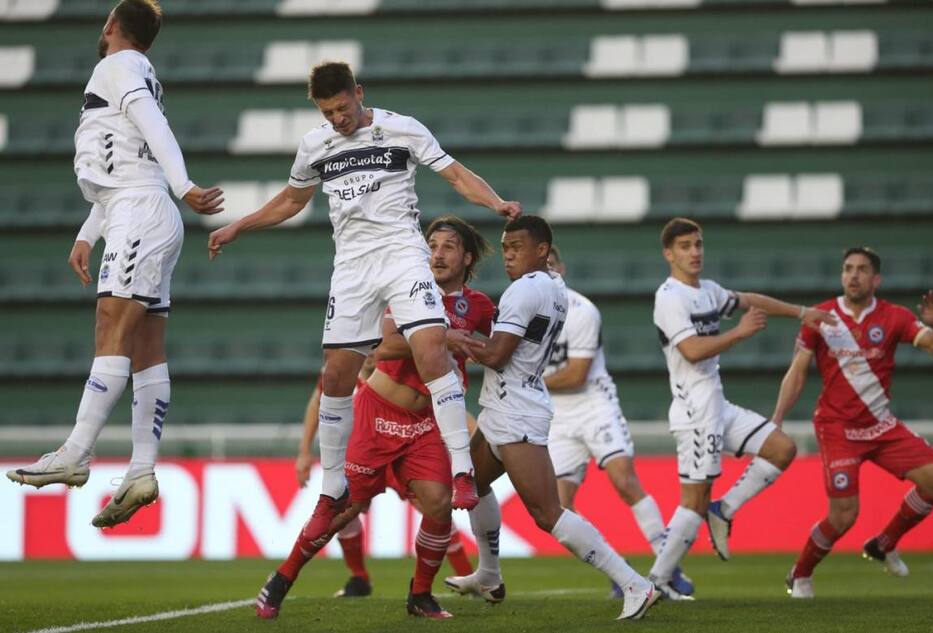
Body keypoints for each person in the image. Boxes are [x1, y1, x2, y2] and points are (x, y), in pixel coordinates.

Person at [208, 62, 521, 540]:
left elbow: (455, 175)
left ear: (359, 93)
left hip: (401, 254)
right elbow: (291, 202)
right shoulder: (316, 145)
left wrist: (495, 202)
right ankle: (332, 488)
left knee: (431, 346)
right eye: (327, 112)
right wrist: (237, 226)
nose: (338, 118)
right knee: (335, 373)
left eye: (342, 107)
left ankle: (461, 468)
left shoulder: (402, 128)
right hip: (352, 267)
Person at [5, 0, 223, 529]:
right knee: (146, 347)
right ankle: (142, 470)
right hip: (138, 210)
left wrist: (185, 184)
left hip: (141, 210)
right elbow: (124, 159)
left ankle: (76, 452)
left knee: (111, 327)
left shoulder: (114, 65)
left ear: (110, 26)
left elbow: (150, 133)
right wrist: (88, 232)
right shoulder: (139, 71)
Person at [256, 216, 495, 620]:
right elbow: (384, 347)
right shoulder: (407, 289)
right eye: (432, 245)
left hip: (426, 424)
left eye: (448, 247)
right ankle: (281, 579)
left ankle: (420, 595)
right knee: (343, 508)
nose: (436, 253)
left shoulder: (480, 306)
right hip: (378, 415)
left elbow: (494, 349)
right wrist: (445, 339)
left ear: (466, 257)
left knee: (439, 504)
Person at [444, 215, 659, 622]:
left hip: (517, 408)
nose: (508, 255)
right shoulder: (555, 287)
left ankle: (635, 583)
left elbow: (496, 355)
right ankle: (489, 575)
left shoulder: (523, 291)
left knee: (548, 514)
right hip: (509, 401)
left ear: (542, 250)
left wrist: (453, 337)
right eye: (505, 248)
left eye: (517, 248)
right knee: (474, 482)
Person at [648, 217, 835, 599]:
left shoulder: (709, 291)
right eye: (685, 246)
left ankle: (725, 510)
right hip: (695, 412)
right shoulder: (669, 297)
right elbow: (691, 350)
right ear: (669, 254)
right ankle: (657, 581)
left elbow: (750, 300)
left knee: (782, 448)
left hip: (718, 405)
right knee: (693, 500)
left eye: (698, 244)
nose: (695, 252)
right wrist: (738, 333)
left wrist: (802, 312)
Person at [775, 247, 933, 598]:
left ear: (876, 279)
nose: (853, 275)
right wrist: (776, 420)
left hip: (882, 427)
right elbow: (797, 372)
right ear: (842, 275)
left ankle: (884, 543)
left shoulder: (893, 316)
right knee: (843, 516)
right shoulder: (822, 317)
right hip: (838, 428)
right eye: (848, 269)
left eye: (862, 269)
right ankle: (800, 573)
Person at [543, 246, 694, 598]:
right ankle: (619, 571)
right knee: (558, 510)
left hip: (594, 405)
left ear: (561, 268)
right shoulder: (520, 311)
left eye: (551, 265)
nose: (547, 272)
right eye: (540, 266)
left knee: (624, 481)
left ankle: (668, 569)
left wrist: (528, 380)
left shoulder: (581, 311)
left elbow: (577, 375)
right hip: (557, 417)